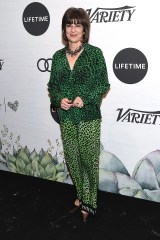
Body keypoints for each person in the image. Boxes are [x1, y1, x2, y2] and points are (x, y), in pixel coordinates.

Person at [47, 7, 110, 222]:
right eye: (69, 25)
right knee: (73, 160)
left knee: (89, 161)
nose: (73, 29)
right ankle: (81, 196)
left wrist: (86, 96)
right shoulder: (57, 57)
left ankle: (89, 203)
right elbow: (53, 86)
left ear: (84, 30)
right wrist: (58, 100)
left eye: (78, 25)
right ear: (64, 30)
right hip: (66, 118)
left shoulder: (94, 54)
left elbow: (103, 83)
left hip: (88, 117)